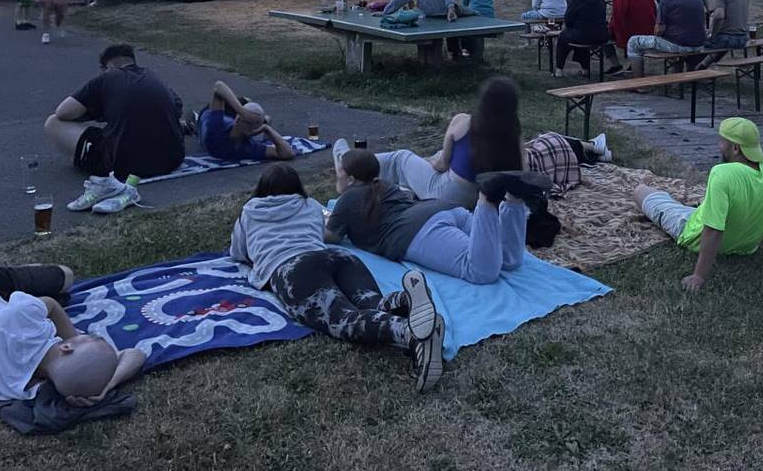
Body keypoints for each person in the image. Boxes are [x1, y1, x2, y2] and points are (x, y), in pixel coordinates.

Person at [229, 164, 445, 392]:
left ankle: (410, 334)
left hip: (294, 269)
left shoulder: (250, 211)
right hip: (337, 257)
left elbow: (238, 253)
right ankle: (404, 300)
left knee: (345, 319)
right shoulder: (310, 205)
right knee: (371, 302)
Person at [634, 117, 763, 291]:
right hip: (747, 247)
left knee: (641, 191)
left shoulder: (722, 174)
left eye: (722, 141)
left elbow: (713, 231)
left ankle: (652, 194)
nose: (719, 146)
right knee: (702, 202)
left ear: (735, 148)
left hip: (691, 232)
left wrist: (699, 276)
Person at [0, 262, 144, 405]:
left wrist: (68, 333)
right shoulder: (26, 388)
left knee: (65, 276)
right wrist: (108, 386)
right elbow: (136, 354)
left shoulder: (21, 318)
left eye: (90, 338)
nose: (89, 334)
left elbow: (50, 305)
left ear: (67, 346)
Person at [328, 149, 547, 285]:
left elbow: (330, 237)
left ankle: (487, 198)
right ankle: (514, 199)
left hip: (417, 230)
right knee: (508, 260)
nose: (335, 177)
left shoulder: (347, 200)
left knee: (481, 271)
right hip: (443, 209)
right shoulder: (384, 185)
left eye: (337, 173)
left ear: (349, 179)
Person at [45, 44, 187, 214]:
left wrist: (95, 112)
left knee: (53, 122)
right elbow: (177, 107)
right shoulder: (153, 76)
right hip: (171, 159)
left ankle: (92, 170)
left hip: (125, 166)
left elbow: (63, 112)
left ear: (108, 67)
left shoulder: (107, 78)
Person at [354, 77, 524, 209]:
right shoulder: (514, 135)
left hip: (450, 195)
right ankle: (402, 194)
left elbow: (441, 166)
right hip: (489, 199)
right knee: (420, 171)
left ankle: (354, 166)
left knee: (401, 159)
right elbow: (522, 172)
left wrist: (428, 162)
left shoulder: (463, 122)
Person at [625, 0, 707, 77]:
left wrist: (656, 36)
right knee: (675, 39)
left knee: (633, 42)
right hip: (698, 44)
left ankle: (637, 81)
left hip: (677, 45)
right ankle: (677, 76)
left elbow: (659, 29)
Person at [199, 80, 296, 162]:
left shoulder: (249, 148)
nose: (250, 127)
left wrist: (267, 129)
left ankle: (260, 116)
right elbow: (218, 86)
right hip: (210, 113)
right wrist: (243, 113)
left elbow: (288, 154)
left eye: (253, 125)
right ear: (238, 119)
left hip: (231, 116)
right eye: (248, 122)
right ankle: (247, 105)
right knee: (245, 102)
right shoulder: (216, 129)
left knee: (254, 109)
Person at [553, 0, 614, 78]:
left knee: (563, 37)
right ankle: (585, 69)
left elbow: (568, 19)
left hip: (583, 35)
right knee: (580, 35)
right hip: (601, 35)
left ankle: (559, 70)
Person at [697, 0, 749, 69]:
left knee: (695, 43)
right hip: (743, 38)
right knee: (720, 46)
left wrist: (712, 33)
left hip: (727, 38)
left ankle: (693, 72)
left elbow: (719, 16)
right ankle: (703, 65)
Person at [608, 0, 655, 68]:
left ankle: (615, 65)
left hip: (629, 32)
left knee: (602, 36)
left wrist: (611, 28)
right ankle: (631, 63)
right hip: (647, 32)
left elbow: (618, 14)